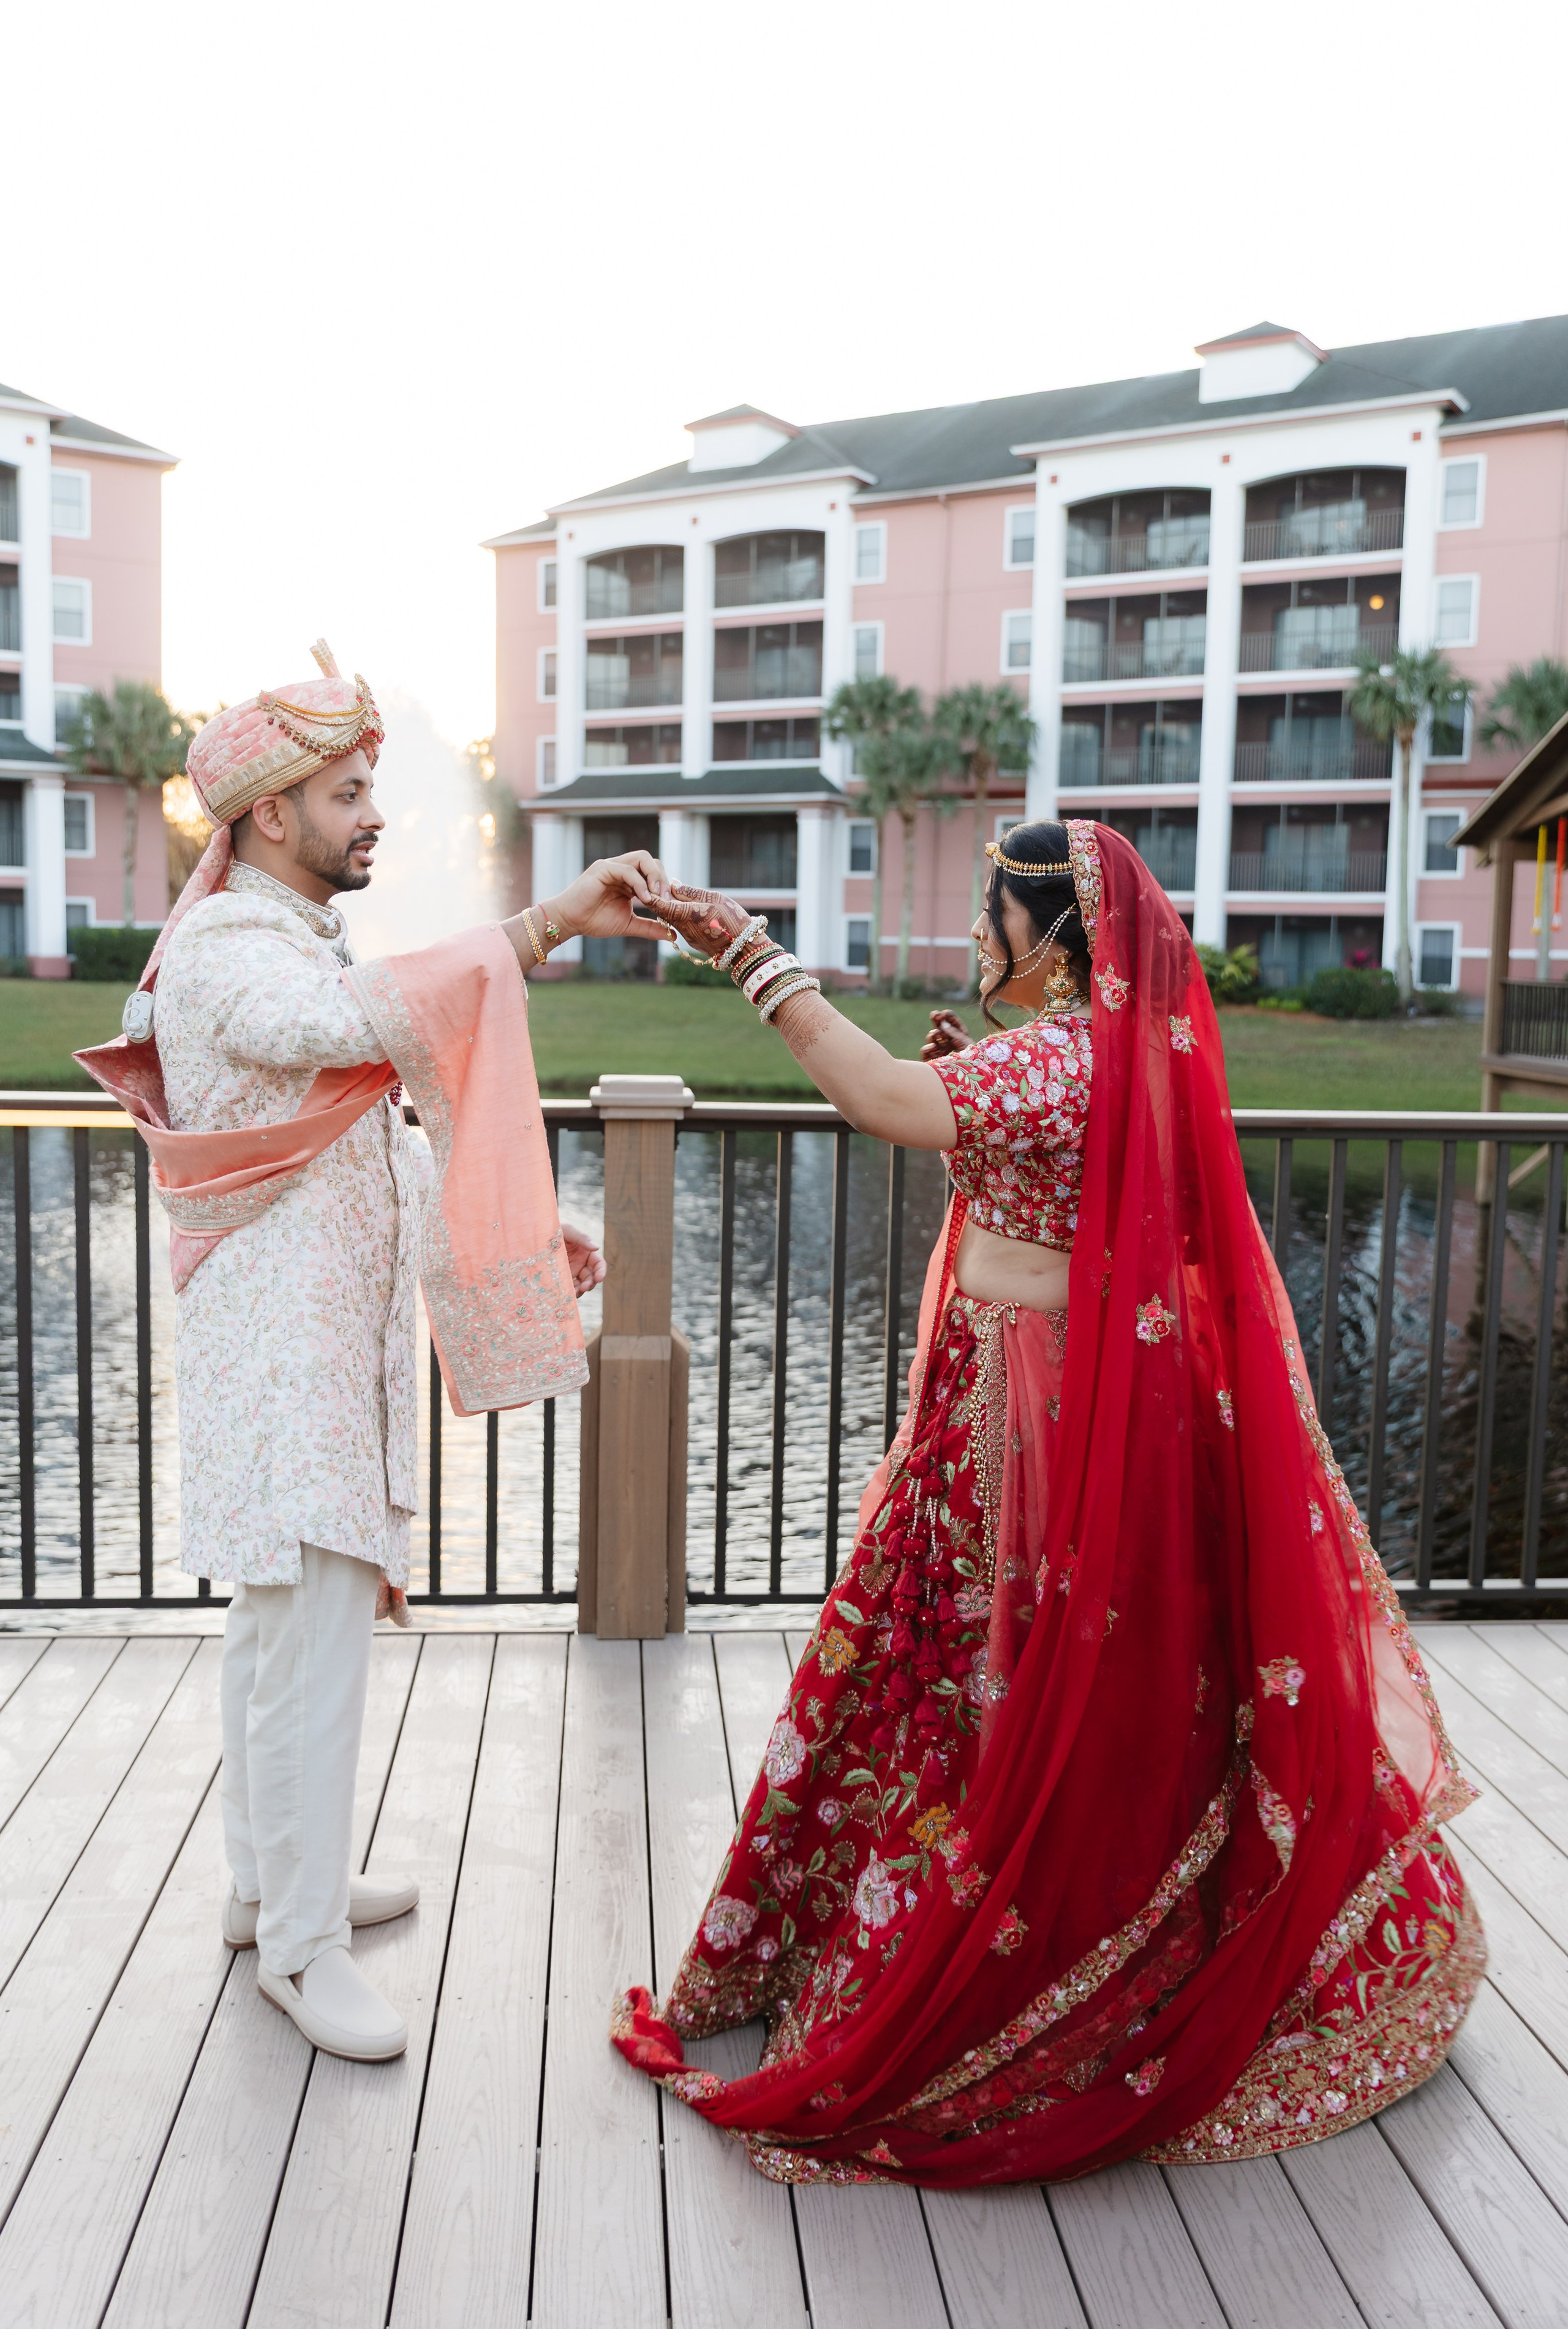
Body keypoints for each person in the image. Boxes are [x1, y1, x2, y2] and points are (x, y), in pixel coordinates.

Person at [612, 817, 1482, 2184]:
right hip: (1037, 1386)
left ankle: (1015, 1939)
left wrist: (744, 951)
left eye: (993, 910)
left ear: (1053, 935)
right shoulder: (1107, 1053)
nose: (975, 930)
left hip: (1026, 1416)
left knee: (983, 1655)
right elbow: (1029, 1155)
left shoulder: (1060, 1058)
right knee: (981, 1650)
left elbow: (883, 1102)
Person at [80, 644, 668, 2064]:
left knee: (275, 1637)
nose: (372, 815)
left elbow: (363, 1136)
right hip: (286, 1376)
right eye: (347, 794)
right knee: (312, 1647)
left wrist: (537, 1240)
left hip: (307, 1365)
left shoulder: (276, 941)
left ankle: (265, 1885)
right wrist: (549, 923)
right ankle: (301, 1947)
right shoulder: (233, 955)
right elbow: (366, 1031)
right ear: (271, 813)